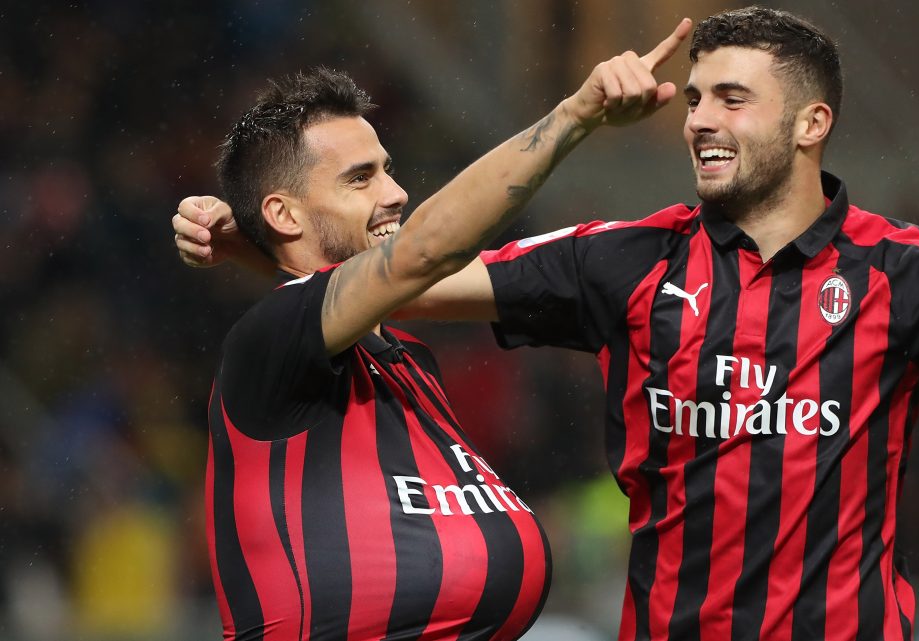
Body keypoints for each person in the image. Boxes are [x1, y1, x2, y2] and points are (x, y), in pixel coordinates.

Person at [174, 7, 919, 641]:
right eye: (698, 95)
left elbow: (399, 276)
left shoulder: (907, 272)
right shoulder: (628, 259)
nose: (700, 118)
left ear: (812, 123)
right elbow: (417, 271)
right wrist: (260, 240)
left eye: (732, 98)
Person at [173, 20, 693, 641]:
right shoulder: (267, 337)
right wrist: (576, 115)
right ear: (283, 213)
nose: (396, 193)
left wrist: (253, 247)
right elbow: (423, 253)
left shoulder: (403, 355)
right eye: (360, 178)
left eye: (387, 169)